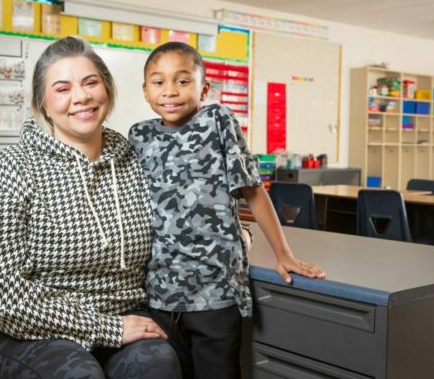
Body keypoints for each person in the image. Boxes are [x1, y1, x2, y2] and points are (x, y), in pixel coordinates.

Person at [0, 36, 181, 379]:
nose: (81, 97)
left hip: (124, 315)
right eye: (62, 89)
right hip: (25, 326)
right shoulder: (11, 168)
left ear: (108, 89)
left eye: (91, 82)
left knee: (158, 365)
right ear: (42, 103)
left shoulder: (137, 160)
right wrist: (105, 328)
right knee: (77, 375)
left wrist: (237, 230)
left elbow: (187, 209)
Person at [128, 41, 326, 379]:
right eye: (158, 82)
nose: (170, 91)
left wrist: (283, 253)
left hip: (214, 291)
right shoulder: (139, 135)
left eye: (182, 80)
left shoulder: (217, 120)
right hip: (160, 293)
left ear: (204, 87)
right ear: (145, 91)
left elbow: (253, 192)